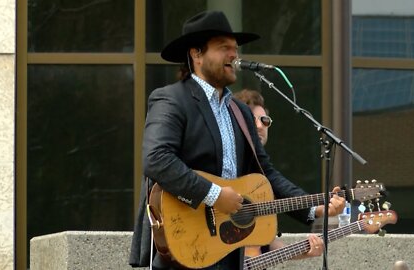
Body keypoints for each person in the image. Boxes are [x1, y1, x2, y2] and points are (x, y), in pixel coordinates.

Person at [129, 10, 345, 269]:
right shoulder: (172, 99)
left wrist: (314, 208)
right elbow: (156, 159)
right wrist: (214, 194)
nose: (234, 55)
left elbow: (266, 174)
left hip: (229, 248)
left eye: (235, 48)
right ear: (196, 54)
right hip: (184, 245)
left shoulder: (239, 112)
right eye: (224, 48)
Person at [234, 89, 345, 258]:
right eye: (251, 119)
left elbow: (265, 247)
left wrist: (318, 209)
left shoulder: (259, 177)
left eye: (265, 120)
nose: (259, 126)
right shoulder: (223, 164)